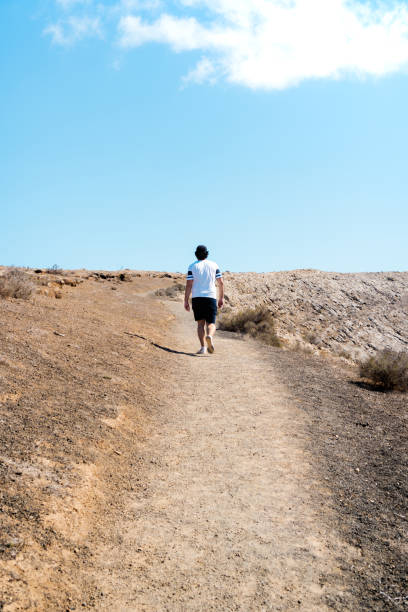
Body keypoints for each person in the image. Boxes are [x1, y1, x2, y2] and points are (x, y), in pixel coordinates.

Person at [184, 245, 224, 354]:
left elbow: (189, 285)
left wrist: (186, 300)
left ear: (196, 254)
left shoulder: (192, 266)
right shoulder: (214, 265)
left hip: (197, 297)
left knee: (200, 324)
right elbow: (221, 283)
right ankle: (210, 336)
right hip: (210, 297)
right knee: (211, 323)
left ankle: (203, 348)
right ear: (207, 253)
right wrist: (221, 298)